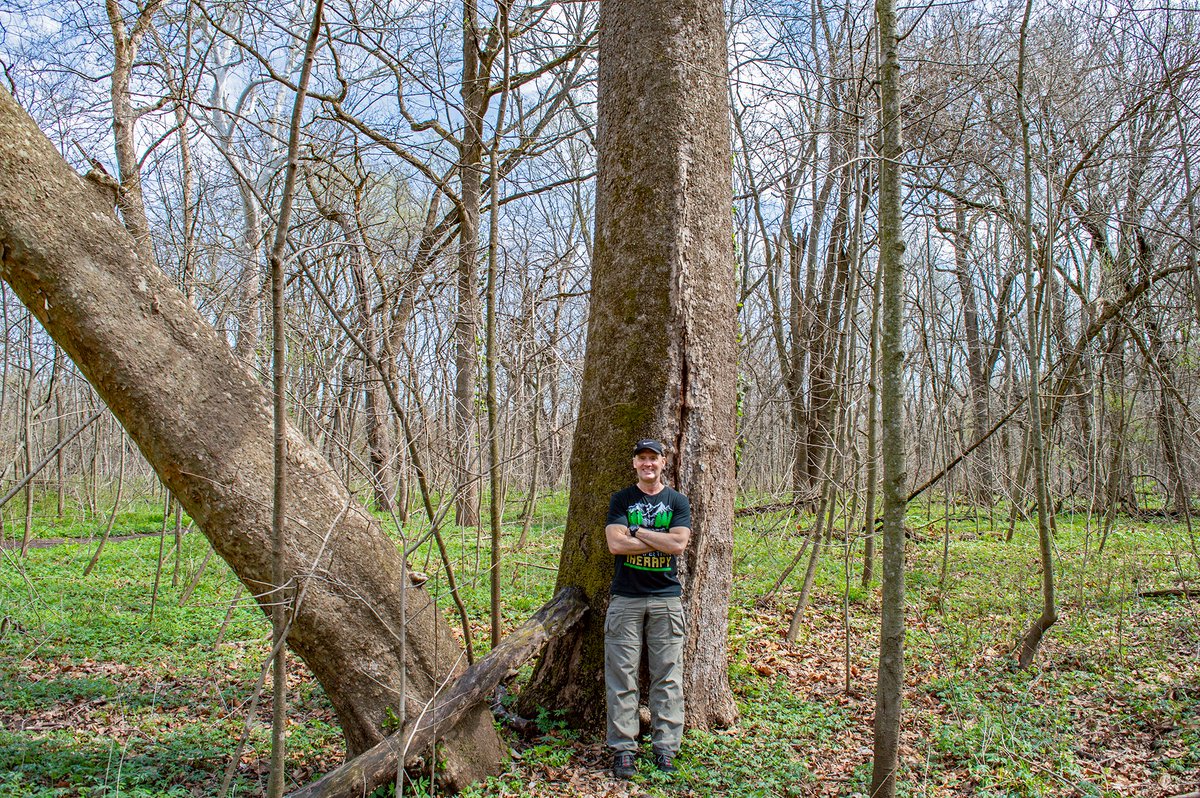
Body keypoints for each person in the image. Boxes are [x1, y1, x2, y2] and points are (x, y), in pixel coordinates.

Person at [604, 438, 691, 779]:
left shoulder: (677, 501)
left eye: (653, 458)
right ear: (634, 464)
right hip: (625, 598)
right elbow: (615, 543)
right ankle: (624, 749)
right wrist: (659, 537)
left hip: (666, 599)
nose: (647, 464)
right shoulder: (621, 499)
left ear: (663, 462)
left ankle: (665, 748)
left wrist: (637, 531)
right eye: (641, 458)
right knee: (621, 677)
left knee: (667, 677)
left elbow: (679, 544)